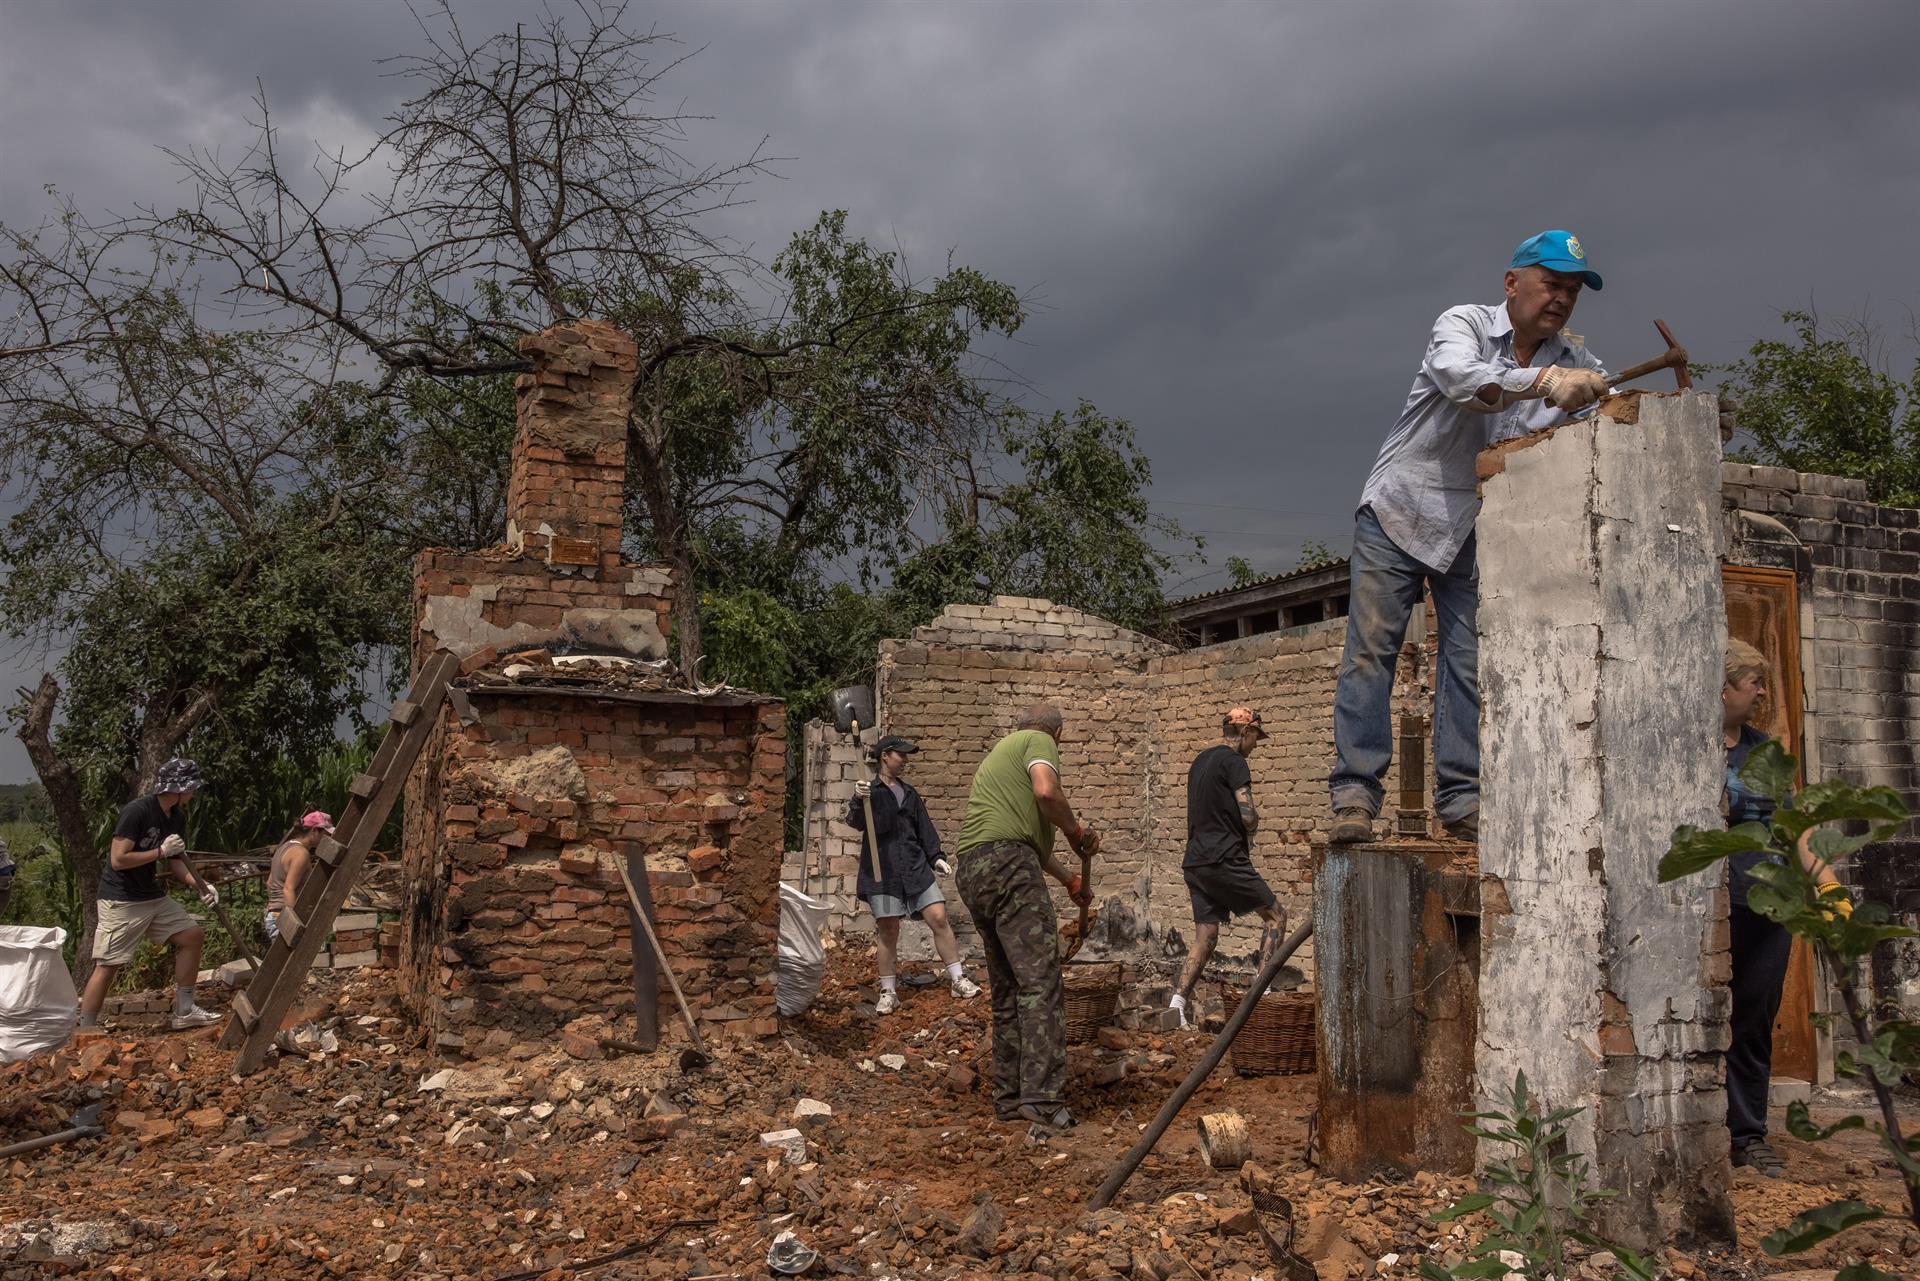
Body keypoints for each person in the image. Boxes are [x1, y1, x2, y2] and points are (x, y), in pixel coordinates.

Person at [1329, 230, 1610, 846]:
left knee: (1469, 661)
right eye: (1551, 284)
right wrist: (1542, 384)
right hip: (1401, 510)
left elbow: (1611, 413)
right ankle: (1354, 794)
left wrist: (1640, 406)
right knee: (1373, 651)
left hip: (1475, 528)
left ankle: (1461, 799)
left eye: (1571, 290)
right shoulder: (1464, 324)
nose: (1561, 299)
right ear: (1514, 283)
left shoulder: (1578, 364)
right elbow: (1464, 381)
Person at [1721, 639, 1851, 1177]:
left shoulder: (1762, 751)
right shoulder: (1684, 747)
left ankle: (1747, 1136)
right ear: (1724, 686)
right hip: (1710, 912)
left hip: (1767, 912)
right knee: (1705, 1020)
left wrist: (1829, 886)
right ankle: (1702, 1130)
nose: (1761, 693)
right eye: (1754, 682)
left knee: (1753, 1020)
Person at [953, 704, 1099, 1129]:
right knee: (1040, 981)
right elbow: (1047, 792)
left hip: (975, 869)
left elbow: (1021, 838)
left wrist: (1069, 878)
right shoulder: (1038, 742)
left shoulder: (1000, 755)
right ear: (1059, 734)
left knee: (1010, 988)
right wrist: (1078, 833)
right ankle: (1043, 1100)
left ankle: (1012, 1096)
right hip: (1009, 865)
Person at [76, 757, 222, 1030]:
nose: (194, 793)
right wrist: (159, 852)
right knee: (109, 964)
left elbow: (176, 860)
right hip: (121, 898)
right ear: (179, 788)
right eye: (192, 788)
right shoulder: (138, 811)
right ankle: (85, 1027)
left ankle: (185, 1010)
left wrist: (199, 885)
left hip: (150, 896)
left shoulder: (176, 817)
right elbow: (119, 859)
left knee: (192, 935)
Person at [1170, 708, 1288, 1029]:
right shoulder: (1235, 762)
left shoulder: (1199, 762)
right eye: (1256, 738)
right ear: (1246, 732)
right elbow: (1247, 814)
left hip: (1195, 861)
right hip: (1224, 858)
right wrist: (1253, 823)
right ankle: (1258, 1003)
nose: (1256, 745)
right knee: (1276, 916)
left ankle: (1177, 1004)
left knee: (1205, 936)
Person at [846, 735, 982, 1012]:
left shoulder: (909, 793)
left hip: (915, 866)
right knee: (888, 929)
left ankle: (958, 978)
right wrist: (858, 800)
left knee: (939, 917)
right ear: (885, 756)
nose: (905, 761)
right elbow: (857, 823)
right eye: (901, 755)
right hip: (881, 869)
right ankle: (888, 992)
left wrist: (937, 857)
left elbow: (924, 829)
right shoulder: (869, 792)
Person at [265, 810, 335, 942]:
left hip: (273, 915)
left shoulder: (284, 847)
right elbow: (288, 889)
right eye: (326, 834)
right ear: (315, 831)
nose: (328, 839)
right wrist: (294, 925)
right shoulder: (301, 853)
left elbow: (269, 882)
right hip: (283, 918)